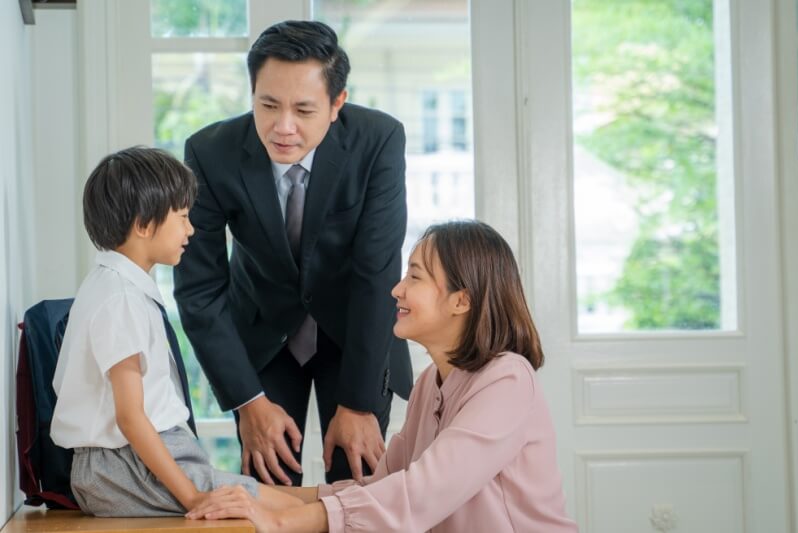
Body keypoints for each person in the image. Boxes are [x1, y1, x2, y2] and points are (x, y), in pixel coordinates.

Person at [186, 220, 579, 532]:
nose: (396, 290)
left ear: (462, 300)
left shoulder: (507, 380)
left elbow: (422, 493)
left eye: (415, 277)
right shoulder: (431, 383)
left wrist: (282, 522)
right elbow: (377, 488)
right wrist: (253, 493)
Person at [173, 20, 413, 488]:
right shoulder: (210, 152)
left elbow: (376, 274)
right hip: (265, 338)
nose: (283, 127)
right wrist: (247, 402)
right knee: (268, 489)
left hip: (355, 336)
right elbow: (199, 289)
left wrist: (360, 402)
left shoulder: (378, 140)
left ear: (337, 104)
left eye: (304, 110)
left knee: (357, 490)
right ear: (252, 94)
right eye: (268, 105)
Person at [50, 147, 302, 517]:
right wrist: (194, 498)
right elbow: (131, 417)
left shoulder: (117, 287)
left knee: (303, 503)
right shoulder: (119, 299)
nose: (191, 229)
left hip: (131, 462)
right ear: (143, 224)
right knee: (290, 509)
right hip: (122, 467)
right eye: (183, 217)